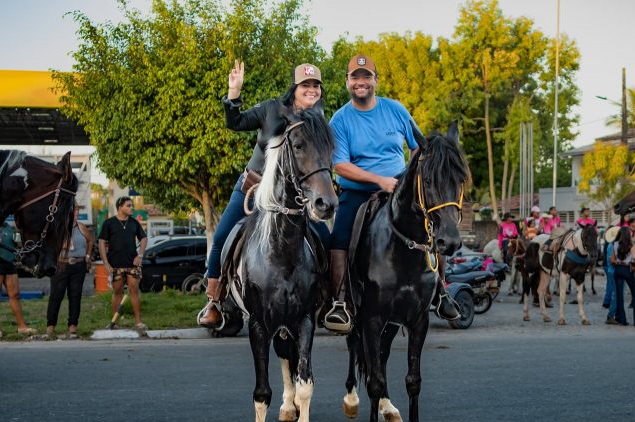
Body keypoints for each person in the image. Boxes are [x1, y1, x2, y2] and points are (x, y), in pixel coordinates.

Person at [323, 53, 459, 333]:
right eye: (355, 78)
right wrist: (379, 180)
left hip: (400, 188)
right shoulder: (340, 119)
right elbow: (340, 165)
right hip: (360, 192)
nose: (361, 83)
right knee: (338, 238)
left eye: (366, 77)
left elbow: (420, 147)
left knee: (435, 220)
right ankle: (340, 302)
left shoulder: (396, 110)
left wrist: (413, 176)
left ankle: (441, 292)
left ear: (375, 81)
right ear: (347, 82)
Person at [197, 60, 328, 328]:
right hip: (253, 188)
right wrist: (234, 93)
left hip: (294, 197)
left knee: (326, 239)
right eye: (306, 85)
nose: (311, 89)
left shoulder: (317, 121)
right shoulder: (271, 109)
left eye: (316, 85)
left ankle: (328, 299)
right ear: (294, 88)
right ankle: (215, 301)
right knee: (222, 236)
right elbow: (235, 122)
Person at [98, 196, 148, 335]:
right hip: (115, 265)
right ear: (120, 207)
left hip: (132, 263)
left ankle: (138, 322)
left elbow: (144, 238)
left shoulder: (134, 223)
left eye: (132, 205)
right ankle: (115, 322)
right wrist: (106, 263)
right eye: (129, 205)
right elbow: (101, 242)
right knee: (117, 292)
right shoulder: (109, 223)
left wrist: (140, 255)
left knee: (134, 291)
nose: (132, 207)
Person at [46, 204, 94, 338]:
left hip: (78, 265)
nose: (75, 214)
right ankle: (51, 325)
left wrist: (88, 256)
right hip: (61, 265)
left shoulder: (81, 227)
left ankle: (73, 325)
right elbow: (48, 244)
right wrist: (60, 246)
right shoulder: (57, 227)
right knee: (56, 295)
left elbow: (90, 240)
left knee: (75, 295)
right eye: (73, 212)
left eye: (77, 212)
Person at [0, 222, 36, 338]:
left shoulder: (9, 227)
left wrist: (18, 236)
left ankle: (22, 326)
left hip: (9, 262)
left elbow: (18, 245)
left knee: (15, 294)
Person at [610, 226, 635, 326]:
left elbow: (612, 260)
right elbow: (634, 256)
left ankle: (622, 320)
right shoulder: (631, 244)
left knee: (620, 296)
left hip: (618, 269)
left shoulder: (615, 244)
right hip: (627, 270)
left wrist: (617, 262)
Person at [602, 226, 620, 324]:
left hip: (611, 271)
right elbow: (612, 260)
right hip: (614, 271)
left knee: (616, 293)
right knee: (616, 294)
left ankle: (615, 314)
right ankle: (611, 315)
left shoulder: (611, 245)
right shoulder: (612, 246)